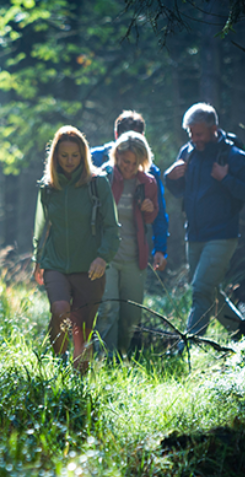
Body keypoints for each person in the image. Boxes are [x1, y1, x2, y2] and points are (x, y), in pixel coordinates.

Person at [164, 102, 245, 344]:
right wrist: (169, 178)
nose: (195, 138)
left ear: (214, 128)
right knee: (209, 292)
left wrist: (225, 178)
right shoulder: (187, 153)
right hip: (194, 235)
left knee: (200, 290)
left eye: (199, 133)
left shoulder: (233, 156)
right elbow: (178, 192)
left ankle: (190, 344)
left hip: (222, 235)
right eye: (191, 134)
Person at [33, 126, 120, 374]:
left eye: (75, 156)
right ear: (55, 157)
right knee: (60, 310)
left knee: (82, 326)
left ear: (83, 155)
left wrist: (103, 257)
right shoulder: (48, 187)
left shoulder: (97, 184)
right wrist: (36, 260)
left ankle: (77, 382)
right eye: (64, 155)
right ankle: (58, 362)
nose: (69, 161)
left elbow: (112, 227)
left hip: (90, 267)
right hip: (55, 263)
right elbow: (40, 226)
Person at [95, 131, 159, 357]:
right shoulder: (104, 177)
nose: (129, 167)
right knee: (108, 309)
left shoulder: (148, 182)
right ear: (117, 155)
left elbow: (153, 218)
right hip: (107, 255)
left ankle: (121, 355)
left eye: (135, 163)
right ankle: (105, 359)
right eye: (125, 161)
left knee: (132, 314)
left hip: (135, 256)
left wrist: (149, 210)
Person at [91, 110, 169, 272]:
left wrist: (160, 249)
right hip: (98, 250)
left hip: (133, 252)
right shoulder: (95, 160)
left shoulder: (150, 172)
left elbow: (158, 213)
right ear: (116, 134)